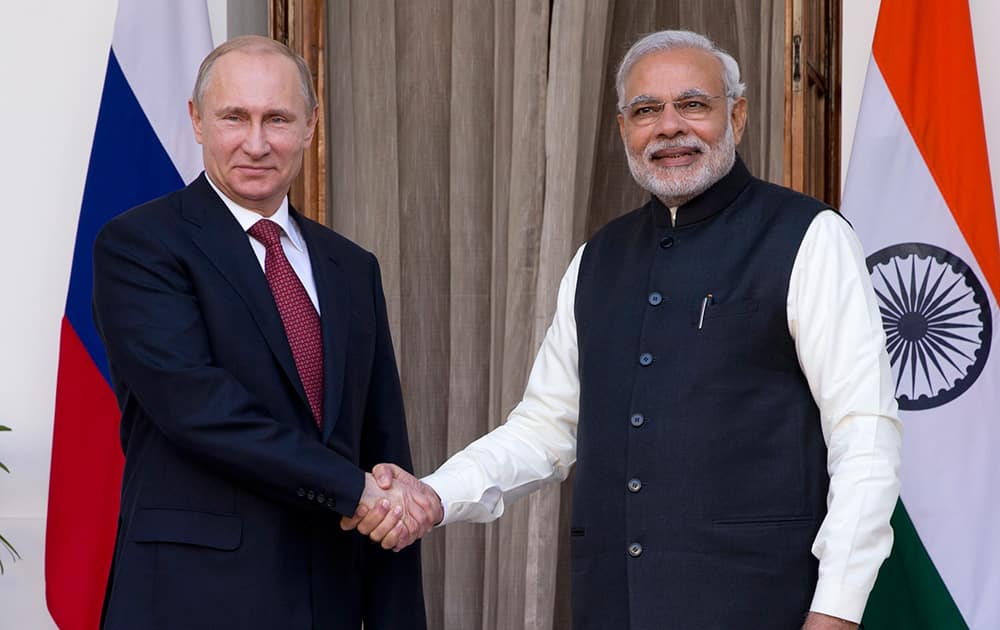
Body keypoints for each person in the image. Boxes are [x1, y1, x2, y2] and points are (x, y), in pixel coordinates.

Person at [343, 30, 902, 630]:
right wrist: (432, 495)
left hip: (763, 604)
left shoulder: (810, 238)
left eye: (692, 104)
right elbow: (542, 430)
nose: (668, 128)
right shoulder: (596, 259)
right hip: (613, 605)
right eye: (646, 111)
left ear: (736, 115)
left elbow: (864, 437)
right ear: (623, 130)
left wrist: (836, 611)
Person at [92, 36, 426, 630]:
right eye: (233, 117)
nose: (256, 142)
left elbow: (382, 442)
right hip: (191, 600)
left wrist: (396, 602)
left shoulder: (352, 266)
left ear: (310, 126)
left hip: (332, 596)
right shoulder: (139, 246)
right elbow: (199, 408)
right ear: (197, 120)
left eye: (277, 119)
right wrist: (355, 491)